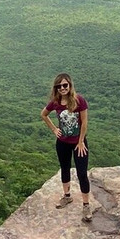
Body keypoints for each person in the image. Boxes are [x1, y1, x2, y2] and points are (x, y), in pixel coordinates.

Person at [40, 73, 92, 222]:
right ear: (56, 88)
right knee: (65, 168)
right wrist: (54, 129)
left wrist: (81, 141)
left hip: (78, 143)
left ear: (70, 85)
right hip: (62, 142)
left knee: (82, 173)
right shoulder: (55, 102)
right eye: (59, 86)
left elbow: (84, 122)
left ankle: (86, 205)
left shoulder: (79, 100)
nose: (62, 88)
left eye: (65, 85)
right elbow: (43, 114)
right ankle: (67, 196)